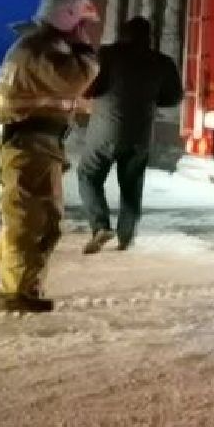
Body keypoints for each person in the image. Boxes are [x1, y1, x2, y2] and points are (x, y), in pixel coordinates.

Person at [0, 0, 101, 313]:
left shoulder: (37, 45)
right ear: (68, 19)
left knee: (26, 216)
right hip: (29, 145)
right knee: (35, 222)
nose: (85, 31)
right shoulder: (43, 48)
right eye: (82, 24)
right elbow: (76, 78)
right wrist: (85, 50)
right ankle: (18, 291)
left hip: (31, 144)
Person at [77, 16, 182, 253]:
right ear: (149, 37)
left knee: (88, 175)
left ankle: (100, 225)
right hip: (139, 135)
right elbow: (174, 97)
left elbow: (90, 87)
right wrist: (151, 98)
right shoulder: (162, 62)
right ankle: (126, 236)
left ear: (122, 34)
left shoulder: (108, 55)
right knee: (132, 184)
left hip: (104, 131)